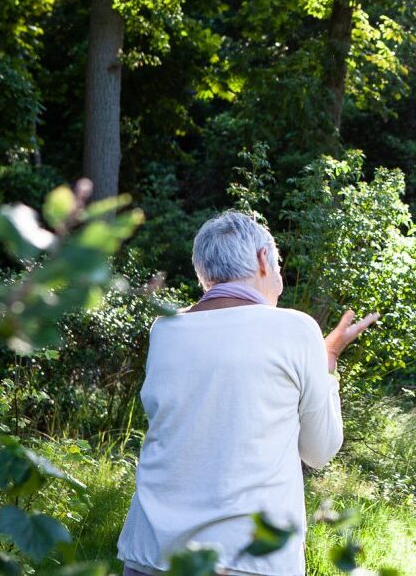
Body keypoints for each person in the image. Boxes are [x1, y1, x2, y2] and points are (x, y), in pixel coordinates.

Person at [117, 211, 378, 575]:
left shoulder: (165, 330)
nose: (280, 279)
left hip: (151, 553)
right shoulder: (295, 328)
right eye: (278, 264)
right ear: (261, 260)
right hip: (248, 560)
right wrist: (328, 358)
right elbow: (320, 451)